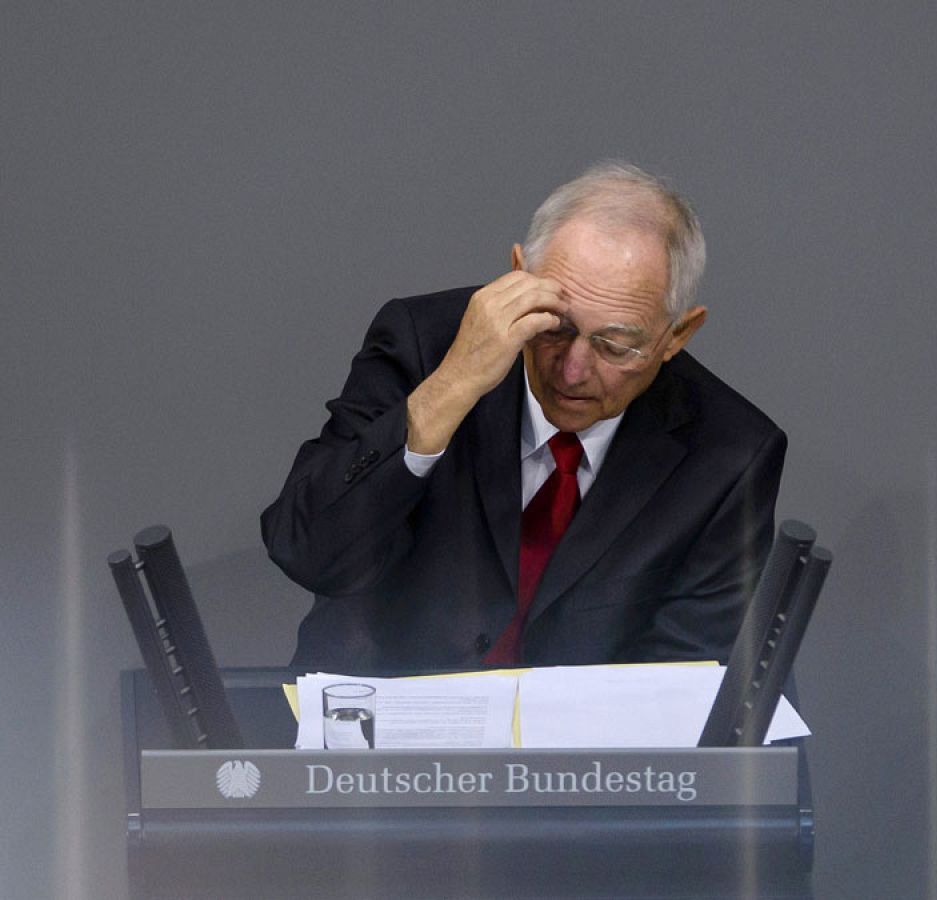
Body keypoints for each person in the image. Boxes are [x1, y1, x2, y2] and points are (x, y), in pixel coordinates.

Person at [261, 161, 786, 672]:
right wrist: (453, 384)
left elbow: (682, 683)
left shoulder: (729, 453)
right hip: (379, 737)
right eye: (554, 326)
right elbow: (308, 552)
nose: (574, 370)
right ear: (517, 276)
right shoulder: (423, 345)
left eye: (615, 346)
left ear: (677, 335)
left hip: (580, 753)